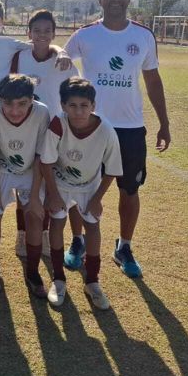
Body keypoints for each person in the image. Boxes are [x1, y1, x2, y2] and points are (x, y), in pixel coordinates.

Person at [63, 0, 171, 278]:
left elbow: (152, 80)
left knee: (130, 189)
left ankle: (124, 246)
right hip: (89, 125)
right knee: (76, 186)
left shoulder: (144, 36)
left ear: (128, 0)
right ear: (100, 0)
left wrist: (164, 123)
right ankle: (77, 241)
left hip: (130, 127)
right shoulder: (85, 35)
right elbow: (59, 59)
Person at [39, 77, 123, 309]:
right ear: (63, 106)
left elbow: (113, 169)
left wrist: (97, 199)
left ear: (93, 106)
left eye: (84, 106)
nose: (78, 111)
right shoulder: (58, 124)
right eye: (72, 106)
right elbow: (46, 162)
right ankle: (58, 279)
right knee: (57, 224)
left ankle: (93, 282)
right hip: (60, 185)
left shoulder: (105, 130)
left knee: (93, 227)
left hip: (90, 186)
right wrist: (53, 194)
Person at [10, 9, 80, 260]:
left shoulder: (64, 61)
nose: (41, 35)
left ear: (54, 33)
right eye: (36, 30)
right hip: (24, 129)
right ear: (28, 33)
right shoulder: (18, 58)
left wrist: (62, 51)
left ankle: (45, 235)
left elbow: (76, 94)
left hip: (54, 133)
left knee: (51, 185)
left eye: (47, 31)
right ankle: (21, 233)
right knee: (24, 184)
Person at [0, 74, 50, 297]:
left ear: (31, 99)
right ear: (0, 99)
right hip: (1, 168)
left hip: (31, 170)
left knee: (34, 217)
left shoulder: (41, 112)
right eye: (8, 103)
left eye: (22, 103)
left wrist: (36, 198)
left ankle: (32, 273)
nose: (14, 110)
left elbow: (40, 154)